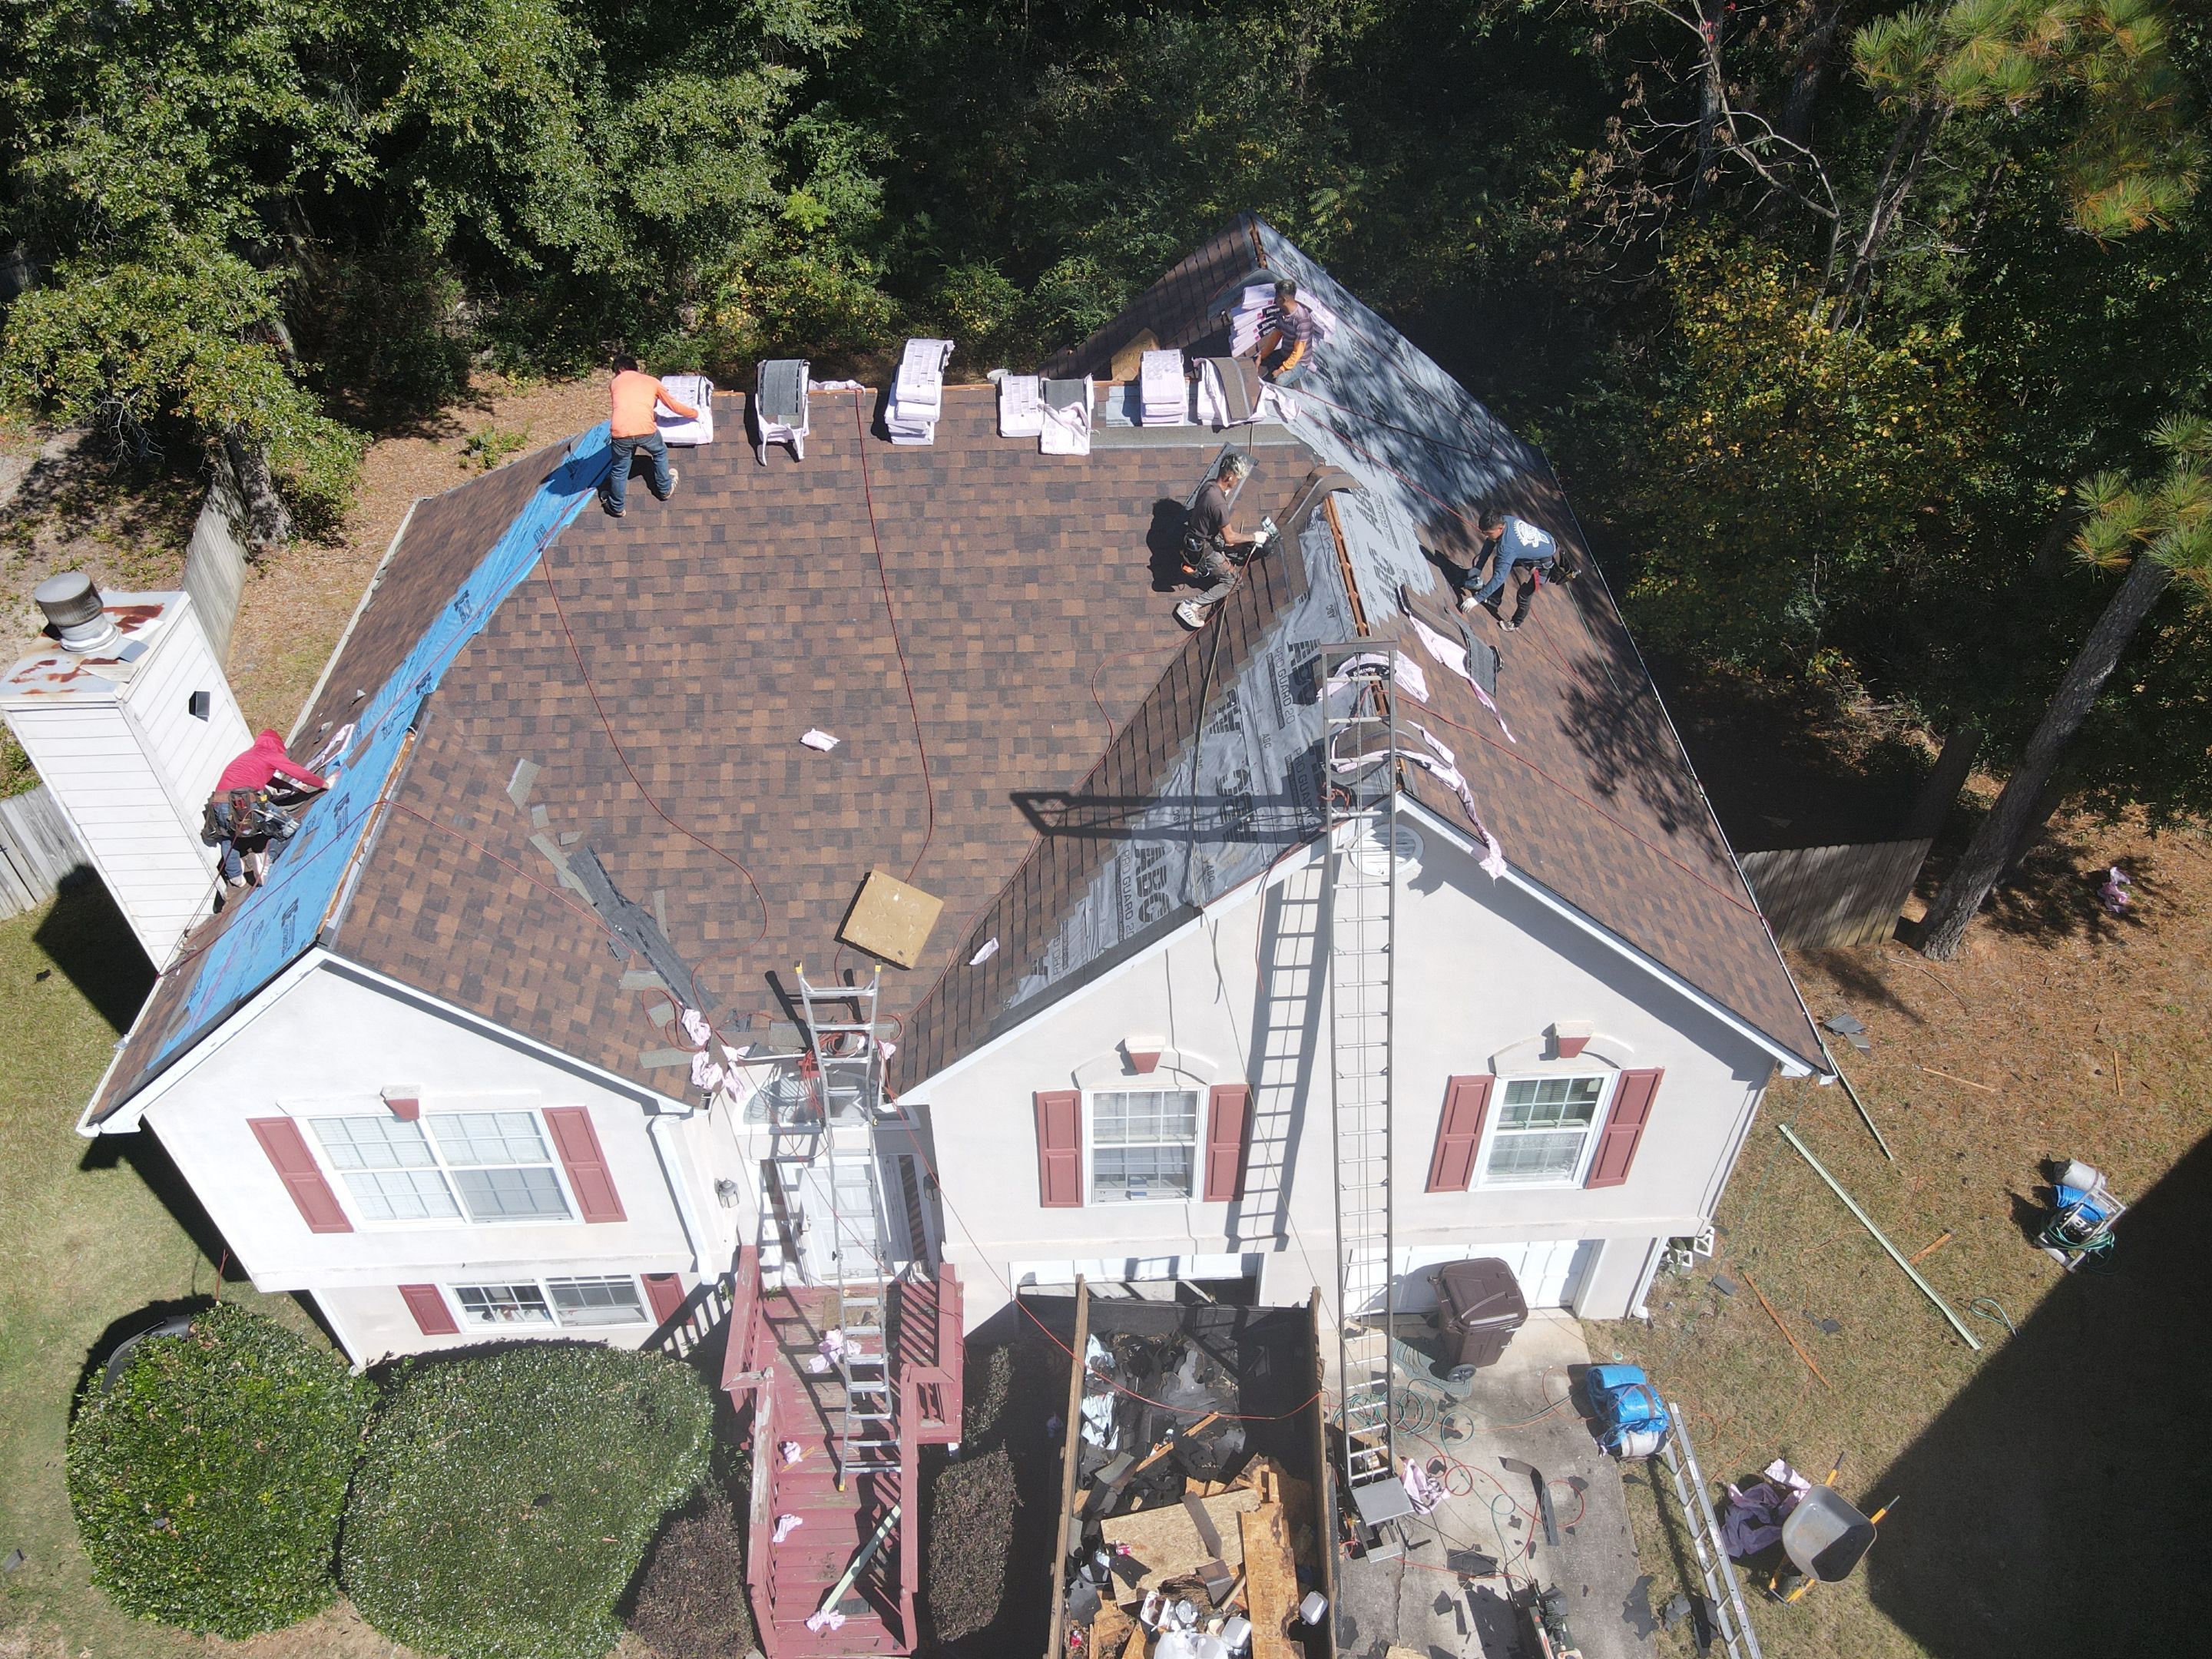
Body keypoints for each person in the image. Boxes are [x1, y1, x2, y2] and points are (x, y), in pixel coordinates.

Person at [204, 731, 328, 887]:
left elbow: (272, 780)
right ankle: (267, 858)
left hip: (218, 803)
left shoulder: (249, 756)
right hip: (243, 800)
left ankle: (235, 876)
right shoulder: (269, 753)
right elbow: (299, 773)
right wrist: (324, 784)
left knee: (229, 835)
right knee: (290, 826)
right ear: (276, 745)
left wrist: (292, 788)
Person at [602, 355, 699, 517]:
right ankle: (665, 489)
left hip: (620, 432)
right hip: (646, 430)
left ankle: (617, 507)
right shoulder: (652, 381)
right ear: (635, 368)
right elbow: (673, 405)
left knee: (620, 470)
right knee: (659, 452)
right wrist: (694, 413)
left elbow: (627, 405)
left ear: (619, 370)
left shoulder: (615, 383)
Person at [1175, 454, 1259, 629]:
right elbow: (1229, 537)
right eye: (1237, 479)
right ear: (1229, 477)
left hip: (1197, 536)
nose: (1237, 483)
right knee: (1234, 582)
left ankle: (1226, 558)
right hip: (1203, 548)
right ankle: (1191, 605)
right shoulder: (1219, 504)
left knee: (1233, 547)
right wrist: (1254, 537)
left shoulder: (1209, 485)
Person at [1462, 508, 1574, 631]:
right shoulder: (1506, 520)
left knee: (1524, 594)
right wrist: (1478, 568)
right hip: (1538, 547)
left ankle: (1515, 623)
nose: (1485, 536)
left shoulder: (1507, 547)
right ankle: (1494, 599)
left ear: (1500, 528)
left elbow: (1499, 578)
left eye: (1488, 533)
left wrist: (1476, 599)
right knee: (1497, 562)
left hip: (1545, 564)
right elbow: (1490, 542)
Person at [1253, 280, 1318, 387]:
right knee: (1255, 365)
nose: (1274, 300)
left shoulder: (1303, 321)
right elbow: (1274, 340)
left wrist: (1281, 370)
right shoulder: (1282, 314)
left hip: (1298, 363)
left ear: (1283, 299)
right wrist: (1261, 356)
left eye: (1276, 297)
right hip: (1284, 354)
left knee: (1278, 382)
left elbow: (1298, 353)